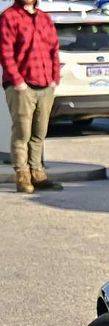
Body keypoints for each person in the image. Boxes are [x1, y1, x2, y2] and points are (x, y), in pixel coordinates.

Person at [0, 0, 61, 193]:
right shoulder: (9, 17)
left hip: (45, 84)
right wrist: (18, 81)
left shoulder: (44, 18)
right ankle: (22, 175)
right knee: (22, 133)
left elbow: (54, 49)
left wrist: (54, 78)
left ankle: (37, 173)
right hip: (21, 86)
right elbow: (5, 52)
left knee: (39, 132)